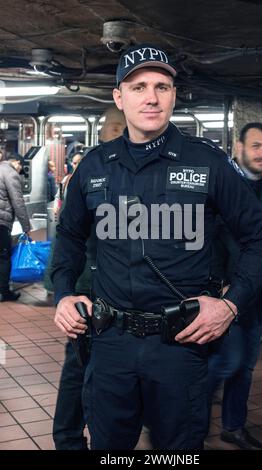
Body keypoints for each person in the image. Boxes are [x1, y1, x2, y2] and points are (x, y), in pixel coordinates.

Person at [51, 44, 262, 450]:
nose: (151, 97)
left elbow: (259, 238)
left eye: (161, 86)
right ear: (120, 97)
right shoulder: (95, 165)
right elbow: (68, 236)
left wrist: (231, 304)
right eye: (138, 87)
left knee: (177, 451)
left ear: (174, 95)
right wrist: (64, 294)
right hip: (110, 343)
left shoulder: (207, 163)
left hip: (180, 344)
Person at [51, 109, 126, 450]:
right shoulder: (89, 173)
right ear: (107, 130)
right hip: (88, 289)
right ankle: (68, 439)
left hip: (114, 291)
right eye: (119, 128)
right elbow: (71, 237)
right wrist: (65, 292)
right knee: (80, 365)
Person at [207, 123, 262, 450]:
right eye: (256, 146)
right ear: (239, 147)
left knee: (244, 366)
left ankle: (233, 427)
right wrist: (219, 284)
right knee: (224, 362)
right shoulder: (223, 185)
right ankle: (181, 422)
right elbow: (210, 240)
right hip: (226, 295)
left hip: (252, 297)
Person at [0, 155, 31, 301]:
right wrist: (26, 226)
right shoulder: (10, 173)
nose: (19, 171)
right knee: (4, 257)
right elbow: (18, 202)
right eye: (20, 168)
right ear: (17, 163)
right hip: (1, 223)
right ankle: (4, 292)